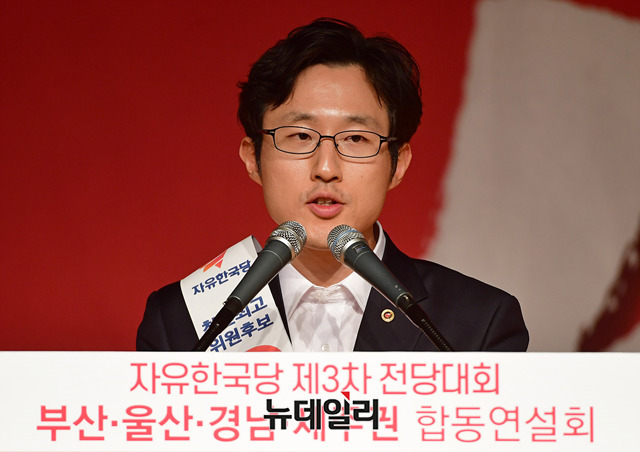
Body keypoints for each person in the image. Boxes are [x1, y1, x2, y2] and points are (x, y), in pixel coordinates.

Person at [137, 18, 528, 352]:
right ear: (253, 158)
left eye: (356, 139)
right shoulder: (183, 320)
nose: (326, 168)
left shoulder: (477, 322)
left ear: (398, 165)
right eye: (300, 136)